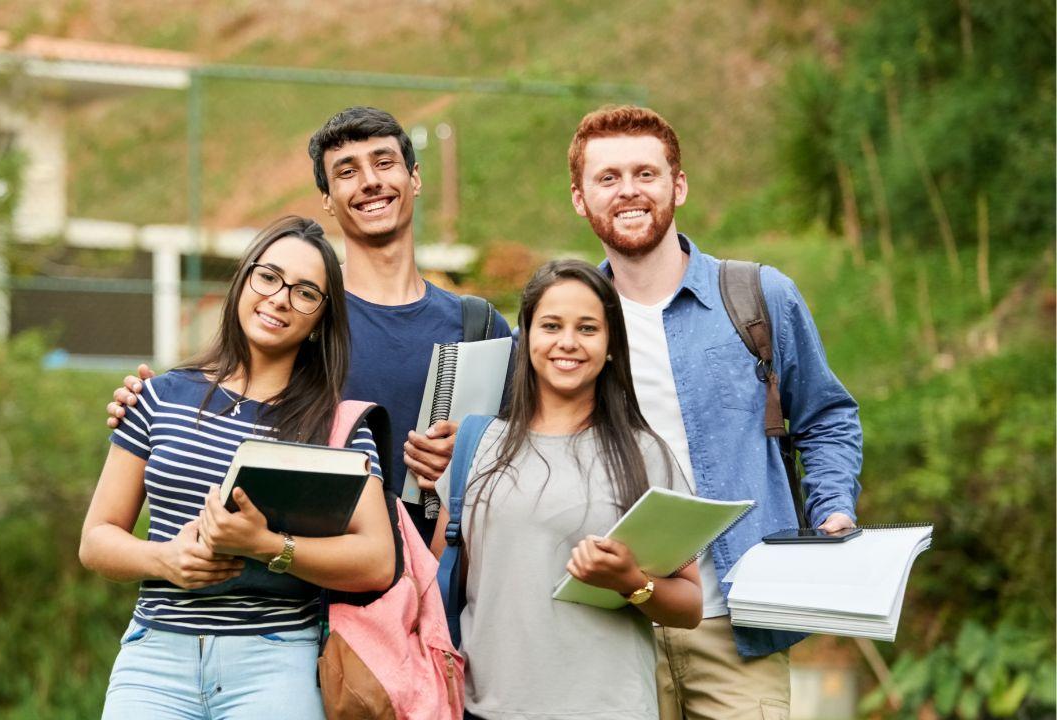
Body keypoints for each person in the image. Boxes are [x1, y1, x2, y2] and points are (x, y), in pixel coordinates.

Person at [567, 105, 863, 719]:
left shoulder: (758, 296)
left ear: (678, 185)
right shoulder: (563, 326)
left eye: (645, 173)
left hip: (739, 624)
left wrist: (832, 508)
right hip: (610, 628)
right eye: (608, 177)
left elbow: (827, 418)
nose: (628, 190)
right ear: (580, 198)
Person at [107, 107, 512, 543]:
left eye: (383, 163)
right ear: (327, 199)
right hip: (311, 590)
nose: (370, 181)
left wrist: (472, 454)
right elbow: (223, 401)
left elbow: (530, 452)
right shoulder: (298, 314)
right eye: (347, 171)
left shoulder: (480, 326)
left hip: (441, 590)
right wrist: (151, 402)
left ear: (414, 177)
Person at [79, 216, 396, 720]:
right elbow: (96, 538)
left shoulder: (338, 427)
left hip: (276, 661)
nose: (279, 298)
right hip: (154, 659)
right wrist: (164, 560)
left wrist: (269, 547)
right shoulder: (159, 397)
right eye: (268, 277)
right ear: (244, 279)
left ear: (321, 318)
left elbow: (377, 561)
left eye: (305, 292)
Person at [431, 259, 702, 720]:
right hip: (486, 707)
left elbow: (690, 606)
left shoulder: (643, 455)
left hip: (609, 709)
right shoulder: (477, 445)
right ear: (527, 335)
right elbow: (441, 585)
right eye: (551, 325)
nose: (568, 343)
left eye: (588, 328)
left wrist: (633, 583)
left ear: (612, 344)